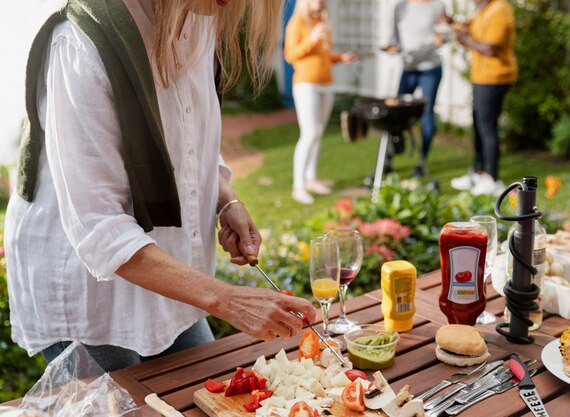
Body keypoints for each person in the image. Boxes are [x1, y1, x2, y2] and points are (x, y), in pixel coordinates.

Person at [4, 0, 316, 372]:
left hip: (171, 276)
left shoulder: (199, 19)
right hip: (91, 295)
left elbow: (187, 143)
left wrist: (226, 200)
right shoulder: (79, 42)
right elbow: (99, 226)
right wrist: (227, 300)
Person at [284, 0, 356, 205]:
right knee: (310, 132)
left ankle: (311, 179)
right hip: (306, 84)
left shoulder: (322, 21)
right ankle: (298, 187)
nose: (320, 2)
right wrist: (312, 38)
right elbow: (290, 55)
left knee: (318, 132)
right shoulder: (297, 23)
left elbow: (323, 56)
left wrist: (341, 57)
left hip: (326, 84)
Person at [450, 0, 518, 195]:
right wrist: (451, 23)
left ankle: (492, 178)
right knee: (478, 125)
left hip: (495, 77)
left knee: (487, 127)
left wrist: (467, 39)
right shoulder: (483, 10)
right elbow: (466, 28)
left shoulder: (500, 10)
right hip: (481, 77)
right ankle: (478, 172)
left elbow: (490, 49)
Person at [384, 0, 448, 178]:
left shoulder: (437, 6)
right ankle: (388, 159)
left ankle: (421, 162)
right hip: (408, 68)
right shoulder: (400, 7)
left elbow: (446, 34)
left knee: (427, 114)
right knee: (396, 113)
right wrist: (392, 46)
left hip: (430, 68)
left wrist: (442, 38)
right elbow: (394, 37)